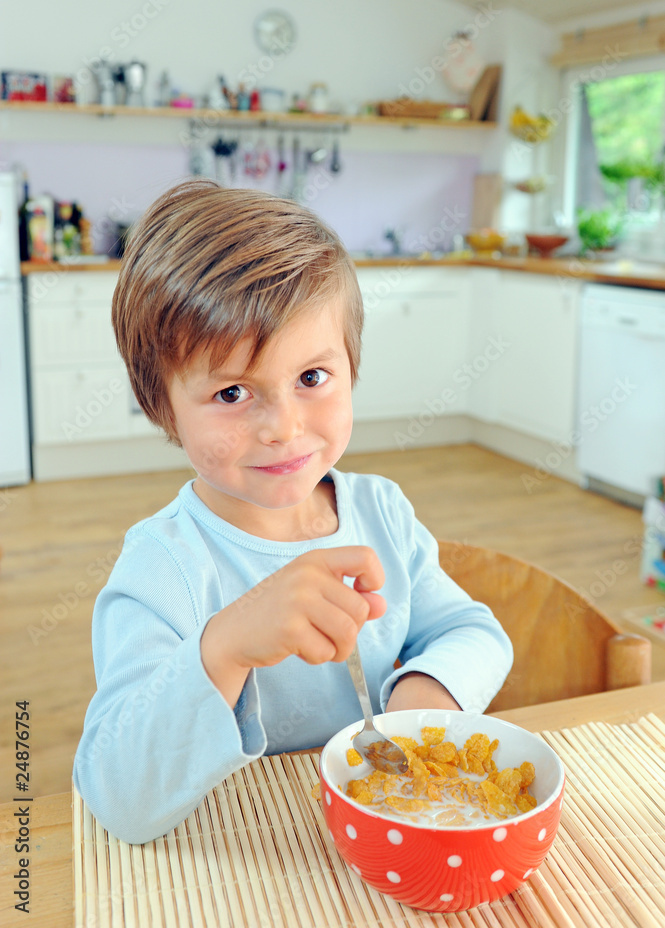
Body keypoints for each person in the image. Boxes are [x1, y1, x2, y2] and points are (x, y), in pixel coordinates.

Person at [73, 179, 513, 844]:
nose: (283, 428)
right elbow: (118, 797)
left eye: (311, 378)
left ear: (351, 367)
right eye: (231, 392)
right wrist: (224, 648)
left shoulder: (381, 511)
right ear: (161, 406)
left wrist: (422, 700)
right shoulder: (161, 567)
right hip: (246, 852)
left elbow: (472, 631)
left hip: (378, 839)